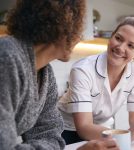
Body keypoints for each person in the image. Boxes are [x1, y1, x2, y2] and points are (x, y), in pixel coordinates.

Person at [0, 0, 119, 150]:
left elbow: (51, 135)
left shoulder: (45, 73)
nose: (79, 37)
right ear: (63, 26)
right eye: (78, 29)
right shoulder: (6, 57)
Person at [58, 11, 134, 145]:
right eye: (118, 38)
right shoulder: (83, 69)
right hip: (66, 131)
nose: (120, 47)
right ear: (111, 36)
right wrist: (127, 135)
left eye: (131, 45)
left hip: (104, 130)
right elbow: (84, 128)